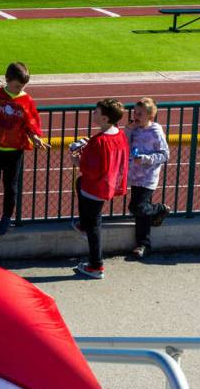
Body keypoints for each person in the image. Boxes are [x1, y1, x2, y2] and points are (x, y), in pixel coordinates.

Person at [0, 62, 50, 237]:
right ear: (7, 79)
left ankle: (6, 219)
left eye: (23, 86)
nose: (19, 89)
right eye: (17, 86)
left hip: (15, 151)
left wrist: (36, 138)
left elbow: (30, 124)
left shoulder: (27, 101)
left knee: (11, 187)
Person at [70, 98, 129, 279]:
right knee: (79, 185)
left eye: (96, 112)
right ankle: (83, 224)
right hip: (109, 184)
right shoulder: (119, 135)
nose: (93, 113)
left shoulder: (99, 141)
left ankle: (96, 265)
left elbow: (91, 170)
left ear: (105, 118)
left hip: (95, 187)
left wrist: (76, 159)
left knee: (94, 225)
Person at [125, 97, 171, 258]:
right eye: (135, 112)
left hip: (148, 176)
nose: (136, 116)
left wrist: (146, 159)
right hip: (134, 174)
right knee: (141, 211)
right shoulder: (134, 129)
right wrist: (129, 129)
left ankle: (160, 209)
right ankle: (143, 245)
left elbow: (165, 154)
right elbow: (125, 144)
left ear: (150, 117)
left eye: (140, 114)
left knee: (136, 207)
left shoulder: (155, 131)